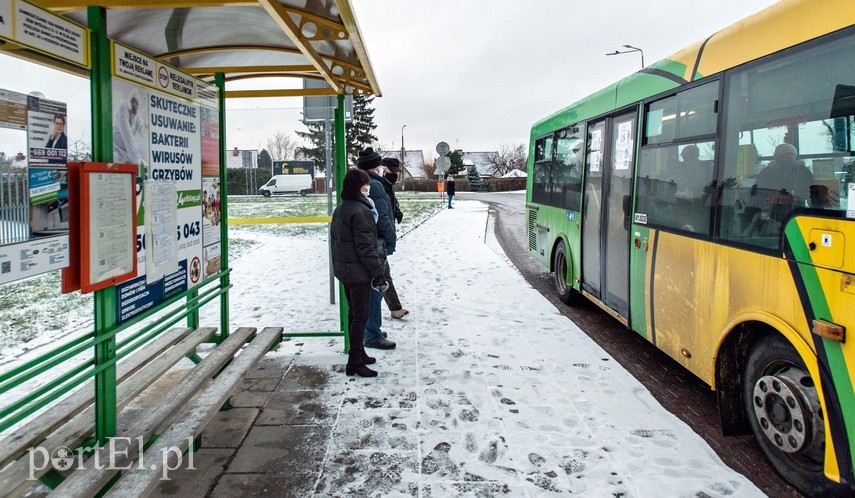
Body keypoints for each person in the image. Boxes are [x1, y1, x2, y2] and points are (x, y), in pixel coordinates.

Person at [330, 168, 388, 377]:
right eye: (365, 183)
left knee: (354, 313)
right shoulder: (361, 211)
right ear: (358, 186)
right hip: (358, 273)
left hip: (346, 270)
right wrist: (378, 272)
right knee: (361, 316)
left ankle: (359, 353)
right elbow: (366, 247)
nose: (368, 187)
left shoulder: (342, 208)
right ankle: (354, 361)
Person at [356, 147, 397, 349]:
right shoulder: (376, 186)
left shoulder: (360, 183)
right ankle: (372, 333)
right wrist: (391, 240)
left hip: (367, 244)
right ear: (376, 166)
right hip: (377, 244)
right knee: (377, 288)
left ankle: (372, 329)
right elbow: (383, 217)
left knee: (375, 287)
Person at [380, 157, 409, 320]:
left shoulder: (387, 185)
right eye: (393, 171)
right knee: (382, 274)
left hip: (382, 236)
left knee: (383, 274)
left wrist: (396, 211)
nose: (396, 175)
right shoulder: (379, 185)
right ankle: (394, 308)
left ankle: (395, 308)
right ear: (384, 169)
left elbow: (390, 204)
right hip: (377, 237)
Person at [113, 91, 145, 165]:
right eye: (136, 103)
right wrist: (136, 159)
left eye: (138, 104)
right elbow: (128, 136)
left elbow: (143, 130)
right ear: (131, 101)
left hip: (129, 153)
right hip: (118, 151)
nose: (137, 106)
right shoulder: (123, 108)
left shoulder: (135, 115)